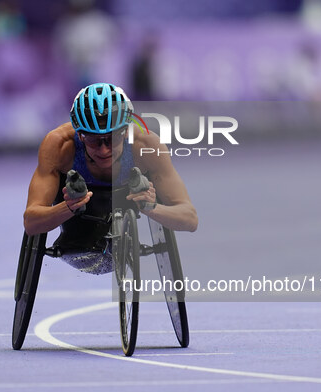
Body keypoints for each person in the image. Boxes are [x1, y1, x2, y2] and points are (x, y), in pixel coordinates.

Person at [23, 83, 197, 274]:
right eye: (93, 139)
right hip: (76, 225)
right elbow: (31, 223)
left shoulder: (146, 146)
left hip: (125, 205)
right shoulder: (59, 146)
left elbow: (189, 218)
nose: (104, 149)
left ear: (124, 131)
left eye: (112, 137)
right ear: (80, 136)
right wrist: (69, 207)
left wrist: (152, 207)